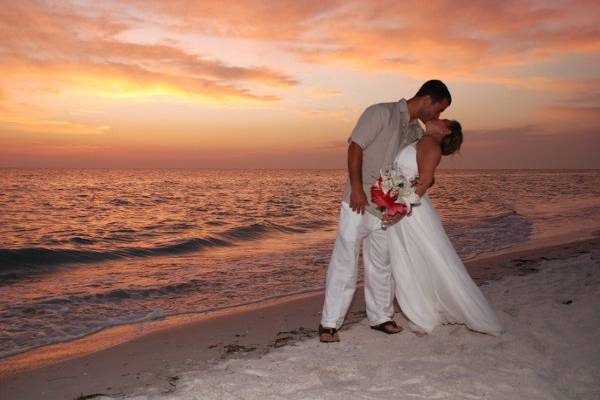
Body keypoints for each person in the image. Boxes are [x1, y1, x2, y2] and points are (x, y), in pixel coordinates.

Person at [319, 80, 452, 343]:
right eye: (438, 109)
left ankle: (380, 316)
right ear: (427, 99)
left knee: (382, 262)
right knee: (345, 259)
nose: (437, 116)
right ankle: (329, 324)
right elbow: (355, 147)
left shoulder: (417, 133)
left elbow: (416, 170)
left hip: (387, 207)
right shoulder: (381, 112)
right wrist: (357, 188)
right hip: (358, 200)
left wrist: (410, 198)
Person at [383, 119, 503, 336]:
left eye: (443, 120)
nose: (437, 118)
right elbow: (420, 177)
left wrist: (400, 209)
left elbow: (426, 181)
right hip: (407, 205)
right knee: (414, 258)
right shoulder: (425, 141)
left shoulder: (430, 143)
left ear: (445, 130)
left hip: (412, 211)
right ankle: (425, 310)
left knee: (422, 258)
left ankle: (425, 313)